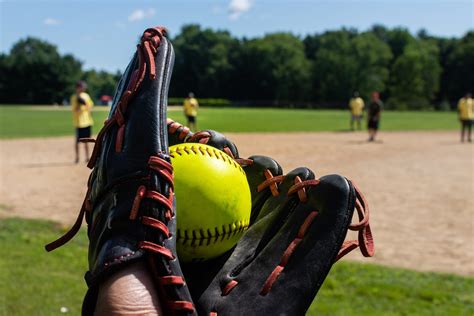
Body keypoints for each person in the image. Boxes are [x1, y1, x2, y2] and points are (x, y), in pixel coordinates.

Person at [70, 80, 94, 163]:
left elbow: (90, 107)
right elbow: (75, 110)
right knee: (77, 142)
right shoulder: (74, 97)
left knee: (86, 141)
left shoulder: (86, 96)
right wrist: (79, 106)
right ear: (77, 88)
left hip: (87, 122)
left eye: (83, 87)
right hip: (78, 123)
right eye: (81, 87)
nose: (82, 88)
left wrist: (85, 105)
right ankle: (77, 158)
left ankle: (87, 157)